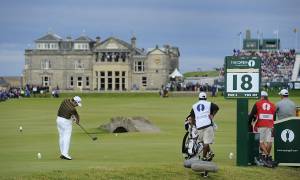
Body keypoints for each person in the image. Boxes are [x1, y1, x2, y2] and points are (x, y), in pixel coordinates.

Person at [187, 92, 219, 162]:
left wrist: (192, 126)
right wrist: (213, 115)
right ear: (205, 98)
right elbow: (217, 107)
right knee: (206, 143)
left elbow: (192, 117)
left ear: (199, 98)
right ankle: (204, 157)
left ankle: (209, 153)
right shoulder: (209, 103)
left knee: (203, 142)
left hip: (199, 127)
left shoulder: (194, 106)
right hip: (208, 125)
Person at [248, 91, 276, 167]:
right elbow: (274, 117)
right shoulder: (273, 105)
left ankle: (266, 156)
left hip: (260, 125)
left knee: (260, 142)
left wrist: (249, 123)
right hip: (271, 125)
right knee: (269, 142)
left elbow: (251, 114)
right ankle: (266, 158)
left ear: (262, 97)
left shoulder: (257, 103)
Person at [56, 96, 82, 160]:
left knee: (61, 136)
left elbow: (67, 111)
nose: (76, 106)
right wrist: (77, 121)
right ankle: (65, 154)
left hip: (58, 120)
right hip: (65, 122)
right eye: (76, 104)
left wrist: (72, 117)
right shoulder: (72, 109)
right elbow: (76, 116)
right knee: (67, 137)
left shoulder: (65, 100)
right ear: (74, 101)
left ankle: (62, 153)